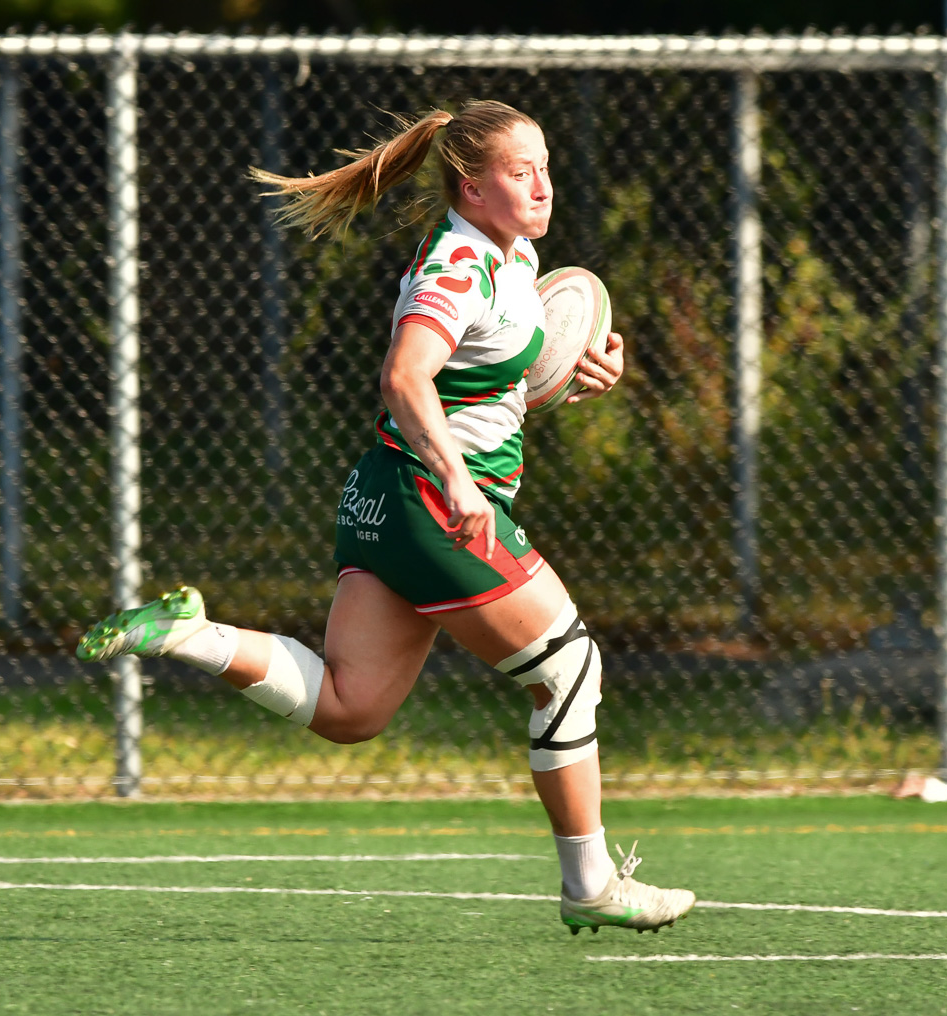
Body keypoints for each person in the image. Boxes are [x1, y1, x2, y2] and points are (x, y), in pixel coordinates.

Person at [79, 100, 694, 933]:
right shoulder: (457, 266)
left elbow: (480, 387)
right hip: (432, 499)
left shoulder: (511, 259)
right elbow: (406, 380)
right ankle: (590, 884)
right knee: (569, 670)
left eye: (546, 166)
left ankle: (186, 634)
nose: (544, 185)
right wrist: (460, 480)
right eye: (522, 172)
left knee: (349, 709)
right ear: (472, 188)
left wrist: (571, 371)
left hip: (389, 497)